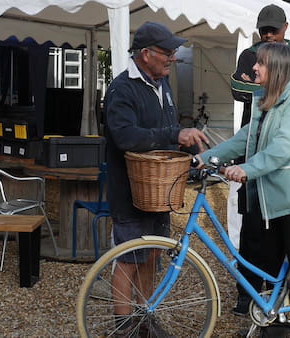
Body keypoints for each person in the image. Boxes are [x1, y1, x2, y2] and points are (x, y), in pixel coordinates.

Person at [198, 42, 290, 337]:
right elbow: (245, 138)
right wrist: (204, 158)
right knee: (269, 266)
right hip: (270, 197)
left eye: (261, 63)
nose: (254, 68)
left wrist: (247, 168)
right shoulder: (265, 98)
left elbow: (283, 147)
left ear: (277, 68)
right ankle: (278, 326)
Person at [103, 21, 208, 336]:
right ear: (145, 54)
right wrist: (175, 132)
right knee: (128, 259)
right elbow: (125, 137)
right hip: (130, 190)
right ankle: (124, 328)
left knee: (150, 256)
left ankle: (143, 319)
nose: (173, 57)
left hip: (159, 189)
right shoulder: (122, 88)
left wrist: (190, 158)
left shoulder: (162, 83)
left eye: (174, 51)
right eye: (167, 51)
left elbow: (165, 135)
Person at [229, 3, 290, 316]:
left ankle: (288, 296)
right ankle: (247, 292)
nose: (268, 35)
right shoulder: (249, 53)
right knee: (250, 229)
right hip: (251, 145)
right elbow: (237, 88)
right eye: (264, 30)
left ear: (285, 28)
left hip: (284, 150)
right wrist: (266, 83)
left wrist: (261, 84)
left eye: (273, 30)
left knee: (287, 231)